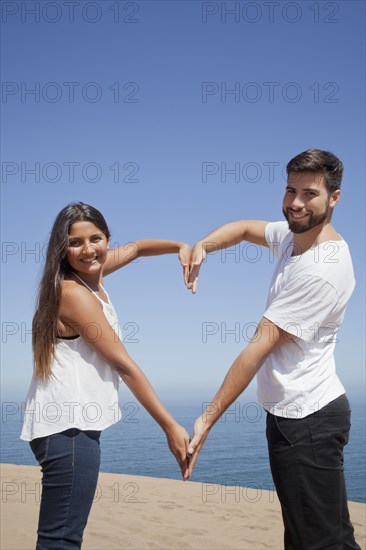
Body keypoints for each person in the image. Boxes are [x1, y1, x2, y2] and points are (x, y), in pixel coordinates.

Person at [184, 149, 361, 550]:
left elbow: (257, 348)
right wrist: (204, 246)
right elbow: (246, 229)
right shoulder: (294, 235)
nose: (296, 203)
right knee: (303, 537)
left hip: (308, 420)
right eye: (290, 190)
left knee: (324, 542)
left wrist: (207, 419)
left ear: (334, 198)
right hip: (289, 416)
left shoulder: (323, 268)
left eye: (310, 194)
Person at [20, 202, 191, 549]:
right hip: (67, 430)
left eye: (95, 239)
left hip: (68, 427)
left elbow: (141, 248)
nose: (88, 250)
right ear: (61, 249)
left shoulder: (90, 272)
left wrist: (180, 247)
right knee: (61, 540)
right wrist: (170, 426)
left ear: (108, 239)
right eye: (75, 243)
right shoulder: (74, 294)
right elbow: (125, 366)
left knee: (62, 535)